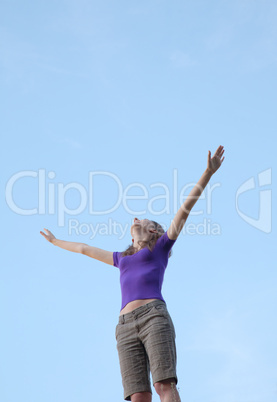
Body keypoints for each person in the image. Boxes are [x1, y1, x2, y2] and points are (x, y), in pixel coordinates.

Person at [40, 145, 225, 402]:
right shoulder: (121, 259)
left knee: (163, 384)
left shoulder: (160, 248)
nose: (136, 218)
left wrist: (208, 173)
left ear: (154, 232)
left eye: (145, 219)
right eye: (135, 219)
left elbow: (185, 209)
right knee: (138, 395)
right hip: (124, 327)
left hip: (153, 317)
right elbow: (84, 249)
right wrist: (55, 242)